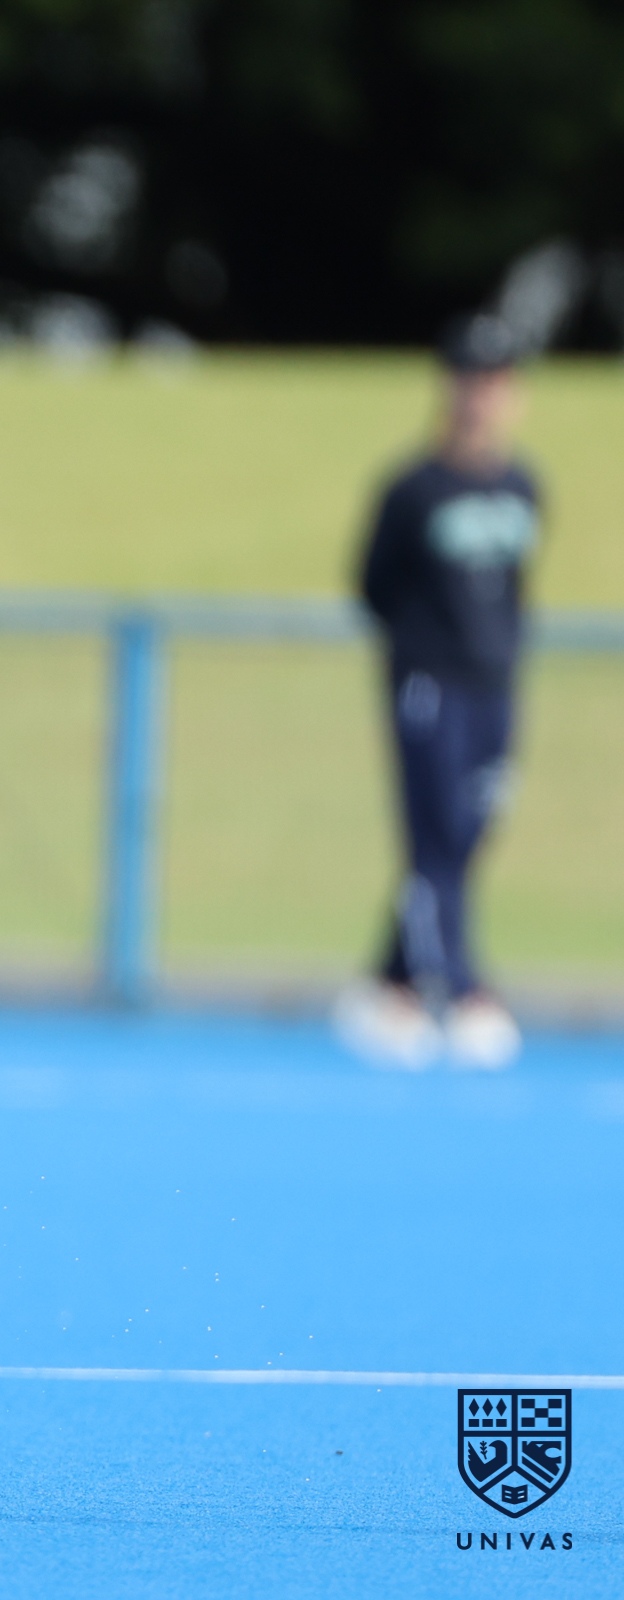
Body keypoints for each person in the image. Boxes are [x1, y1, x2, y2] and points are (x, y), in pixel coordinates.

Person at [335, 314, 538, 1071]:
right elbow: (373, 585)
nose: (482, 395)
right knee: (436, 832)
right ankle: (457, 985)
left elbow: (514, 590)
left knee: (470, 833)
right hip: (430, 682)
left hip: (495, 685)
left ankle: (389, 982)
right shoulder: (414, 489)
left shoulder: (522, 486)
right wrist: (424, 649)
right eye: (471, 379)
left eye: (497, 381)